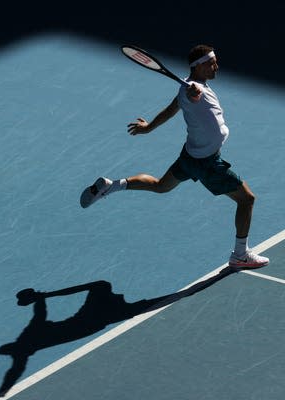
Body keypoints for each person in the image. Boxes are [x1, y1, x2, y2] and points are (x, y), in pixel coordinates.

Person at [80, 44, 268, 270]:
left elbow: (172, 108)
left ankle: (110, 186)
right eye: (211, 63)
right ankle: (240, 254)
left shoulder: (188, 88)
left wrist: (149, 127)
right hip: (207, 163)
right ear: (198, 68)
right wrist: (193, 95)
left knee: (161, 186)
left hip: (189, 155)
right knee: (247, 200)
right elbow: (191, 97)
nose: (216, 66)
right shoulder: (192, 90)